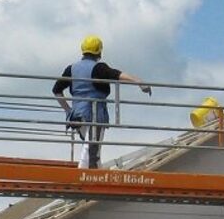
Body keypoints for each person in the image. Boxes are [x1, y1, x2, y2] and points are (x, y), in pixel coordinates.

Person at [53, 35, 151, 168]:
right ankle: (81, 176)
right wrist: (139, 82)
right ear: (99, 51)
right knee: (91, 150)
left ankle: (97, 175)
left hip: (77, 117)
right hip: (94, 115)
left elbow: (56, 90)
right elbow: (116, 74)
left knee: (92, 150)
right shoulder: (99, 68)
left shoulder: (71, 69)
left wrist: (68, 111)